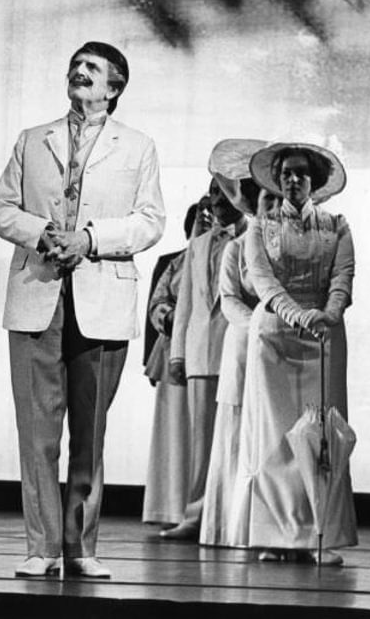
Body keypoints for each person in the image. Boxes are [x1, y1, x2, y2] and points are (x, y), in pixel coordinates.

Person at [0, 41, 165, 578]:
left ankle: (81, 548)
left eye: (93, 68)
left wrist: (90, 239)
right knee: (38, 431)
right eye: (75, 65)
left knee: (89, 432)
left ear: (114, 87)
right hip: (39, 295)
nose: (79, 72)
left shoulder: (136, 147)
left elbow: (150, 221)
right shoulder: (32, 140)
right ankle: (41, 548)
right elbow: (0, 208)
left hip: (102, 295)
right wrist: (44, 234)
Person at [227, 142, 355, 565]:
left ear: (314, 182)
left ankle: (320, 535)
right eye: (286, 174)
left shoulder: (336, 226)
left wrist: (329, 313)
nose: (293, 180)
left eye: (302, 173)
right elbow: (263, 283)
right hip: (276, 336)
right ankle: (276, 534)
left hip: (324, 334)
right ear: (277, 180)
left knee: (321, 436)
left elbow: (342, 275)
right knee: (275, 435)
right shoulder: (259, 230)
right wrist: (297, 315)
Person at [161, 165, 248, 541]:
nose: (216, 199)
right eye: (212, 192)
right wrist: (177, 354)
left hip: (237, 349)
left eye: (224, 192)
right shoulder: (197, 244)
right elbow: (184, 306)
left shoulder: (253, 239)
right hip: (199, 352)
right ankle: (196, 515)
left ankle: (235, 517)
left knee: (238, 438)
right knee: (201, 442)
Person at [193, 138, 268, 547]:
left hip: (279, 347)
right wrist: (261, 326)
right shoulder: (236, 248)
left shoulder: (283, 242)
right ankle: (231, 524)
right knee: (237, 428)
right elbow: (230, 301)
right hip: (245, 345)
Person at [142, 203, 204, 527]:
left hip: (207, 351)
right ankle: (169, 507)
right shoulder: (171, 261)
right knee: (173, 430)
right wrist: (147, 361)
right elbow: (154, 304)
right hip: (170, 354)